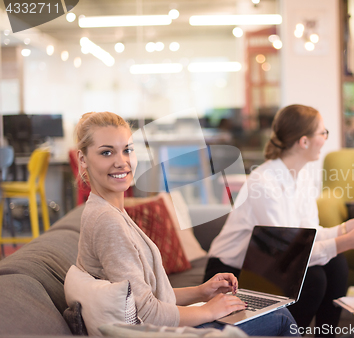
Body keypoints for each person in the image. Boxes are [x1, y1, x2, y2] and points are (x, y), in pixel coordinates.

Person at [72, 111, 298, 336]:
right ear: (83, 160)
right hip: (158, 332)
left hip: (161, 324)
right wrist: (209, 311)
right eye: (106, 152)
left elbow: (148, 296)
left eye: (127, 150)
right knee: (280, 318)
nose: (121, 162)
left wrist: (201, 292)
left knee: (271, 311)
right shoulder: (107, 220)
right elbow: (147, 313)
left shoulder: (110, 211)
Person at [204, 104, 354, 336]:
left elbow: (306, 233)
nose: (325, 138)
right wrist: (346, 241)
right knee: (313, 277)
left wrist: (344, 229)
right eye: (323, 133)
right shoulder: (264, 182)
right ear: (304, 141)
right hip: (232, 271)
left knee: (336, 264)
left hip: (268, 262)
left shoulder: (302, 177)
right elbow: (287, 253)